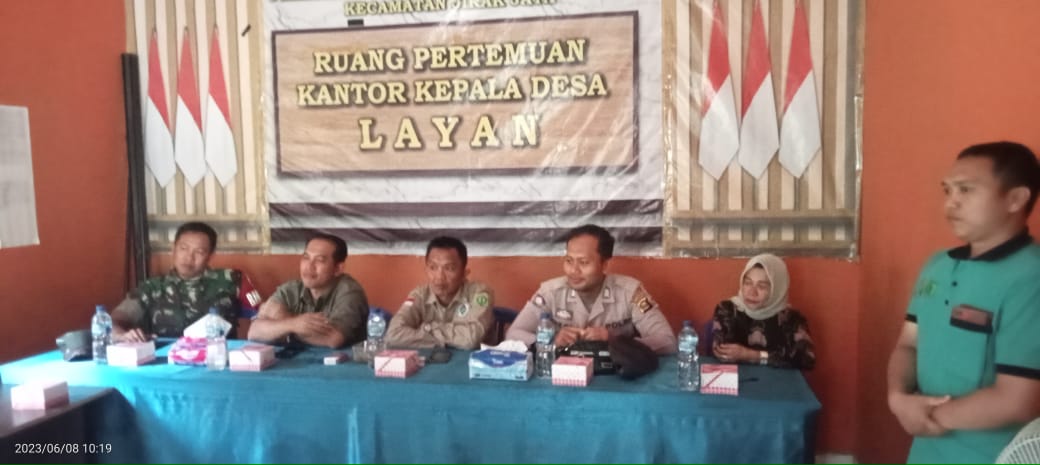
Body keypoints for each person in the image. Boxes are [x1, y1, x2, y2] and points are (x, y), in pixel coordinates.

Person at [886, 141, 1040, 463]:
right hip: (926, 451)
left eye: (966, 190)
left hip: (992, 455)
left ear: (1015, 199)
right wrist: (897, 398)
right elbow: (909, 345)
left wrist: (925, 415)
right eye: (948, 190)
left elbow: (1018, 399)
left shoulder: (1030, 277)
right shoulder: (937, 266)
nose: (950, 203)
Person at [506, 224, 676, 354]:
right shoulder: (550, 292)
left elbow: (667, 342)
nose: (573, 270)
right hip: (564, 376)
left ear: (605, 264)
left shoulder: (629, 292)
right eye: (569, 261)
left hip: (616, 377)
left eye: (584, 262)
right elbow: (513, 334)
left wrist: (613, 340)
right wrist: (550, 342)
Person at [112, 222, 260, 341]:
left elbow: (263, 315)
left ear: (210, 255)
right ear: (174, 249)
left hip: (217, 360)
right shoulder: (152, 288)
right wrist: (121, 335)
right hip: (167, 362)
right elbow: (114, 320)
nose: (189, 257)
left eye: (199, 252)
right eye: (183, 248)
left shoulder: (233, 280)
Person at [247, 233, 369, 349]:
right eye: (306, 257)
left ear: (338, 269)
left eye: (319, 260)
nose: (309, 266)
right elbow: (254, 332)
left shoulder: (350, 291)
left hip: (343, 362)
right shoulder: (290, 289)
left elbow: (333, 339)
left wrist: (284, 321)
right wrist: (293, 324)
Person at [709, 253, 815, 369]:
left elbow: (807, 359)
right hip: (738, 377)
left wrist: (751, 355)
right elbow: (721, 351)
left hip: (778, 379)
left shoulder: (791, 318)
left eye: (762, 286)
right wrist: (771, 357)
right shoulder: (728, 310)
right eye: (748, 283)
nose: (752, 292)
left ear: (777, 290)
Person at [385, 236, 494, 349]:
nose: (439, 277)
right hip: (431, 359)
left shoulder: (479, 293)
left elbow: (471, 338)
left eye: (449, 268)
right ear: (426, 270)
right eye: (433, 267)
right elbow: (393, 334)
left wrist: (427, 329)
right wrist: (447, 338)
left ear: (464, 273)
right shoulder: (420, 295)